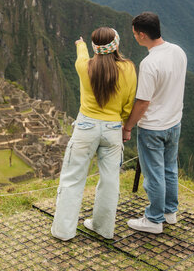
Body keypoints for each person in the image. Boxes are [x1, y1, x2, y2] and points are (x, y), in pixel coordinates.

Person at [51, 27, 137, 241]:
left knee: (72, 179)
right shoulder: (128, 69)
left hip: (86, 128)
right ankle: (103, 228)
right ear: (116, 45)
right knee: (110, 181)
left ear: (94, 48)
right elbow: (128, 102)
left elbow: (82, 55)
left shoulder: (84, 67)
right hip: (113, 129)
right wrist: (125, 126)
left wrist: (80, 44)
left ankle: (63, 231)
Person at [123, 12, 187, 234]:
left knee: (154, 175)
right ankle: (170, 212)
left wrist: (128, 126)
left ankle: (154, 219)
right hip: (174, 123)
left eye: (134, 34)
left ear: (142, 35)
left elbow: (142, 102)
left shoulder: (149, 63)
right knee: (170, 168)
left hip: (153, 128)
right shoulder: (178, 52)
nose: (134, 37)